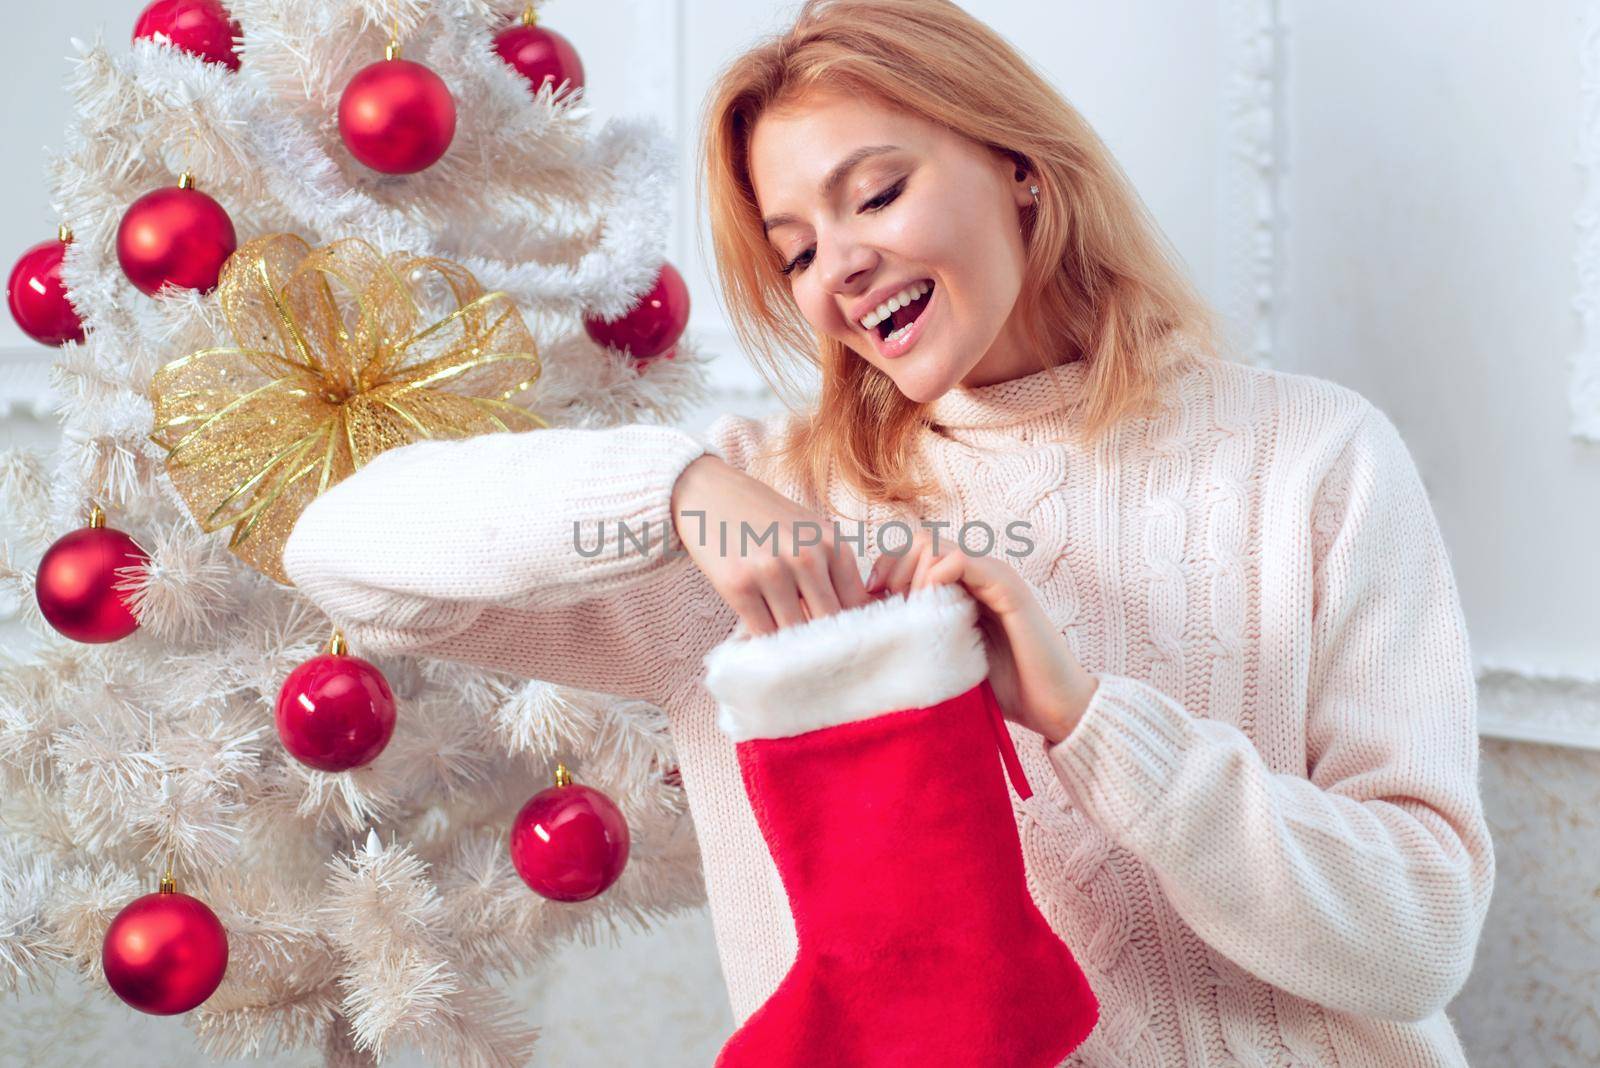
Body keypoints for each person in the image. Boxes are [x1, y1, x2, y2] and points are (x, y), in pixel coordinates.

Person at [283, 0, 1495, 1063]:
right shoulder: (766, 526)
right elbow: (339, 546)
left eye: (876, 193)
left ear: (1019, 163)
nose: (840, 270)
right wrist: (669, 495)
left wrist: (1089, 724)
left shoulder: (1310, 461)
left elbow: (1420, 942)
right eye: (797, 249)